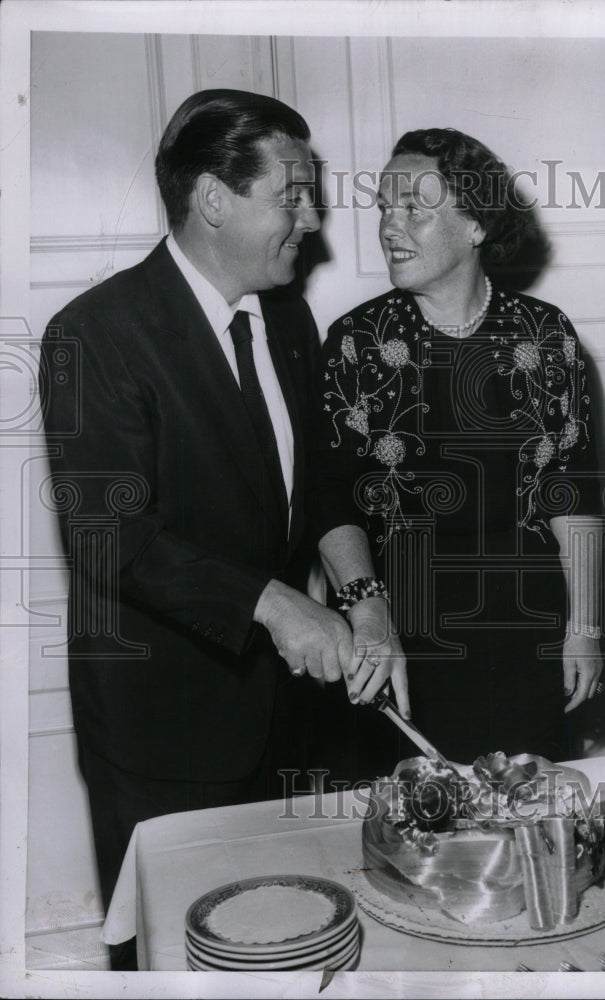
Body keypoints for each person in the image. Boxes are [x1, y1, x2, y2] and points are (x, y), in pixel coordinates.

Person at [39, 89, 357, 969]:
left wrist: (360, 599)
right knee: (179, 962)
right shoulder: (93, 336)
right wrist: (279, 606)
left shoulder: (290, 320)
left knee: (291, 949)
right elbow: (115, 537)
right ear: (214, 199)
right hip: (164, 735)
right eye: (291, 194)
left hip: (288, 726)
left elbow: (321, 488)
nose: (313, 216)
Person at [316, 128, 605, 778]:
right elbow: (329, 498)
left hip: (525, 627)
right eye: (384, 206)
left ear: (475, 223)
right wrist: (370, 618)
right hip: (399, 629)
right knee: (415, 833)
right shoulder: (357, 341)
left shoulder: (544, 333)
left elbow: (571, 487)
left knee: (522, 817)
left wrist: (584, 627)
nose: (391, 225)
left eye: (414, 206)